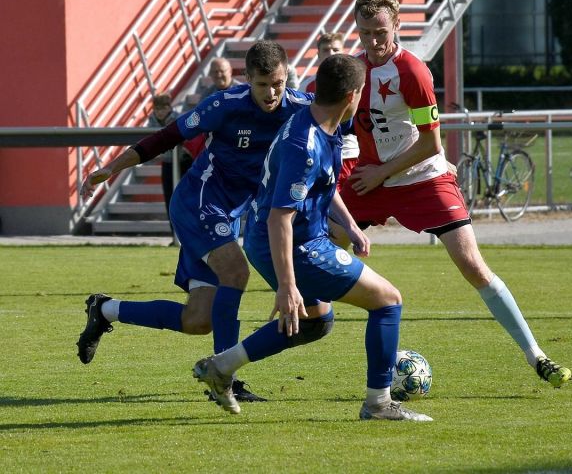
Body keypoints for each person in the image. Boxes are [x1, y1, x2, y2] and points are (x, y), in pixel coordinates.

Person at [335, 0, 572, 388]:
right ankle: (305, 314)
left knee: (473, 266)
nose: (373, 42)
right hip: (372, 176)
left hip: (421, 175)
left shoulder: (413, 71)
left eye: (380, 32)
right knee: (316, 239)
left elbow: (431, 143)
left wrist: (381, 172)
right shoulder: (354, 70)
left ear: (396, 25)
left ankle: (538, 356)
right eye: (364, 33)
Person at [193, 53, 432, 421]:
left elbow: (321, 186)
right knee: (387, 301)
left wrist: (349, 224)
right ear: (353, 94)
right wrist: (287, 287)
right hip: (294, 243)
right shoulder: (304, 144)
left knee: (316, 321)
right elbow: (279, 218)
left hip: (286, 237)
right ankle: (378, 404)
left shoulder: (322, 125)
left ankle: (221, 367)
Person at [77, 40, 313, 403]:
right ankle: (226, 379)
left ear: (287, 77)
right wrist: (111, 168)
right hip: (197, 202)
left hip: (229, 215)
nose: (271, 93)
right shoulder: (225, 105)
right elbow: (167, 136)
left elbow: (344, 119)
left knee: (198, 320)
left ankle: (105, 309)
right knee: (237, 272)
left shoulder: (300, 108)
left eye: (278, 83)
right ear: (247, 79)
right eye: (262, 84)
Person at [298, 32, 358, 189]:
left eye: (335, 49)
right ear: (318, 55)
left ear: (344, 52)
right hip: (320, 154)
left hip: (349, 154)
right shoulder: (306, 86)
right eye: (326, 50)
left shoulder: (356, 83)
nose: (331, 54)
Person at [146, 93, 193, 238]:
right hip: (167, 162)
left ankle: (190, 232)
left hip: (183, 162)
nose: (159, 112)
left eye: (163, 108)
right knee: (170, 198)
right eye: (157, 108)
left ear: (170, 108)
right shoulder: (151, 121)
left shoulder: (178, 119)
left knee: (185, 198)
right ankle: (175, 234)